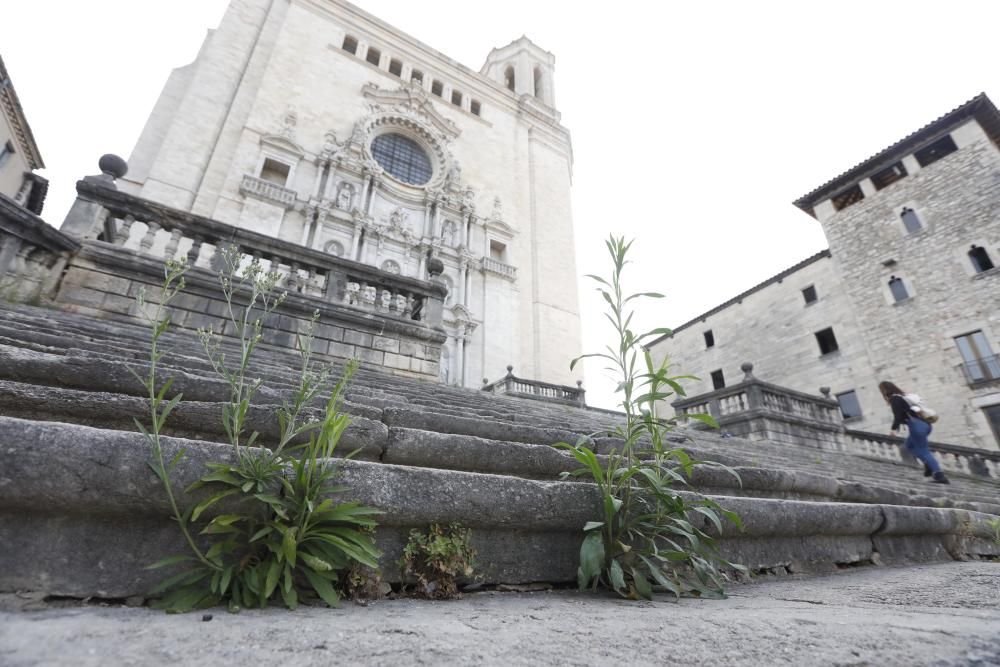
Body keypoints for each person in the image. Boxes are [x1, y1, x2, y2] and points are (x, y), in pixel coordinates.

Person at [878, 381, 949, 484]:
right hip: (925, 425)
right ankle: (928, 464)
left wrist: (893, 429)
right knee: (908, 446)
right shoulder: (902, 397)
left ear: (884, 391)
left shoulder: (894, 399)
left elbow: (897, 416)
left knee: (923, 451)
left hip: (916, 426)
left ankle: (939, 475)